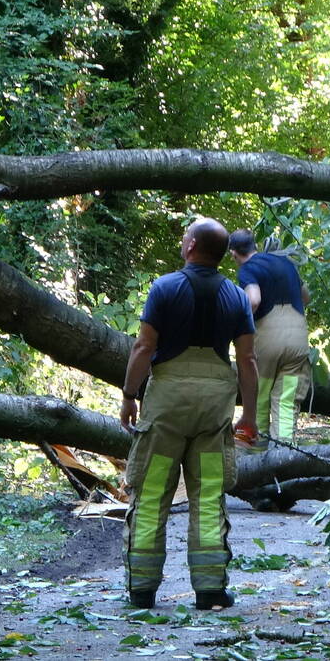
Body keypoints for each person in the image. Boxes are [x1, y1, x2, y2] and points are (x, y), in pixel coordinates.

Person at [119, 217, 258, 611]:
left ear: (192, 245)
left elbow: (144, 347)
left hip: (168, 405)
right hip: (214, 406)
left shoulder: (164, 288)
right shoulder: (237, 297)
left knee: (152, 494)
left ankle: (142, 588)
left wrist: (129, 395)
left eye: (185, 235)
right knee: (209, 495)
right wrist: (248, 414)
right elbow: (247, 359)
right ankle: (211, 590)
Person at [227, 229, 310, 450]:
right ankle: (284, 453)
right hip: (298, 341)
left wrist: (236, 322)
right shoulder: (287, 263)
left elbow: (253, 300)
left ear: (234, 253)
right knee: (286, 402)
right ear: (254, 245)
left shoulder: (248, 268)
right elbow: (306, 297)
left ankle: (256, 454)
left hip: (267, 343)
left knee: (259, 398)